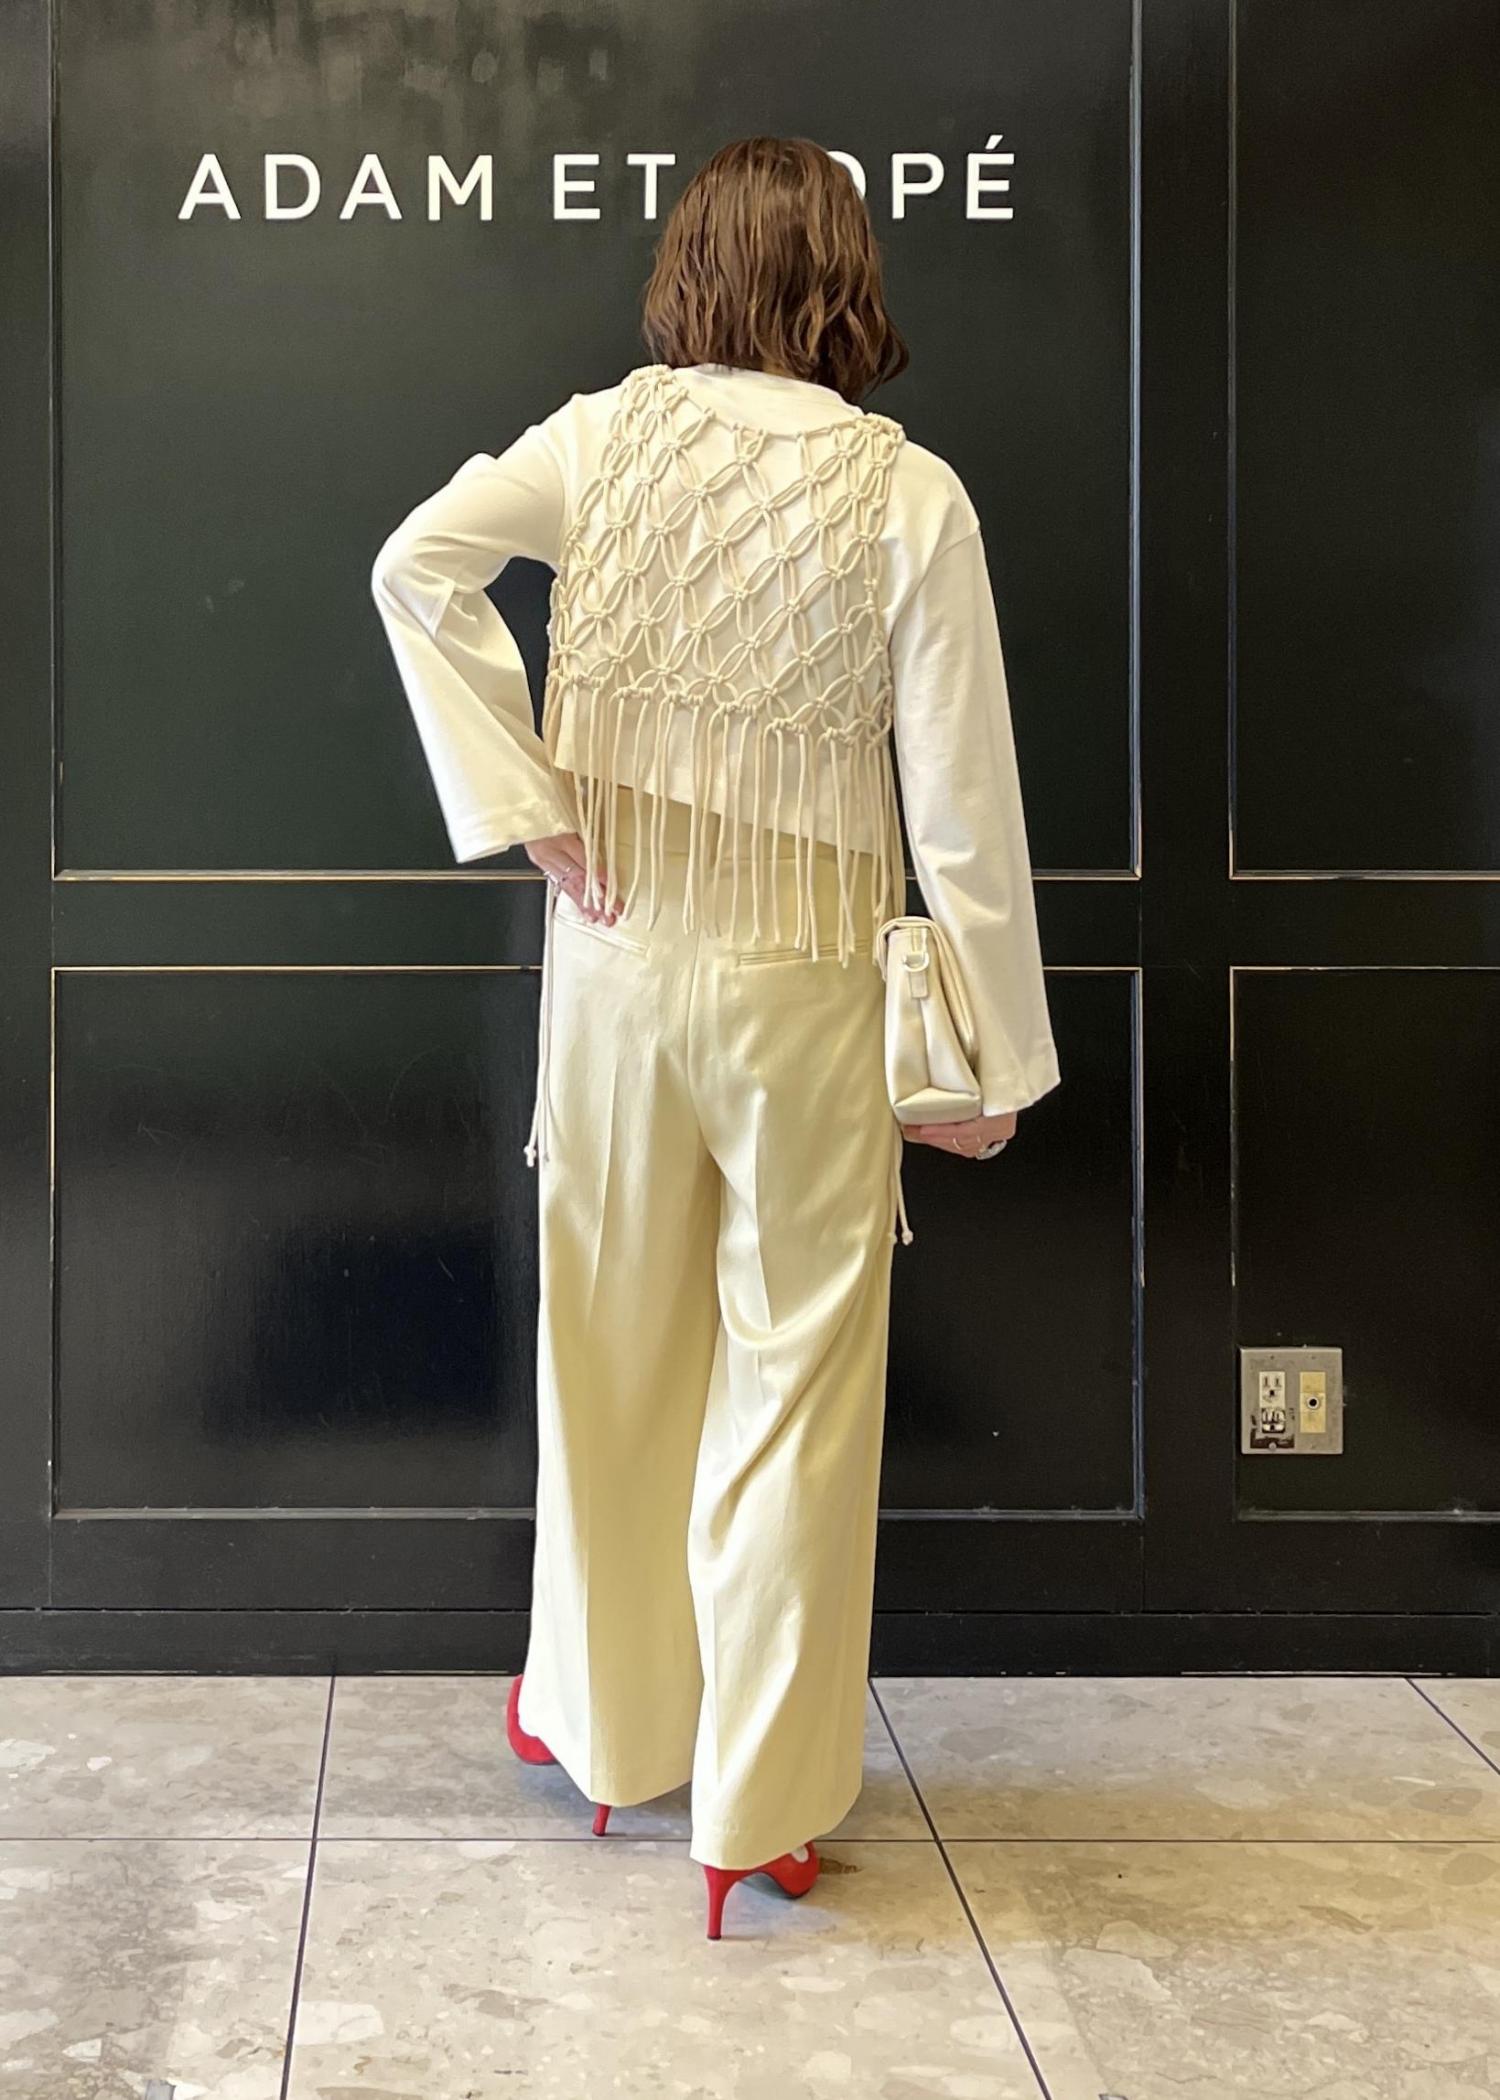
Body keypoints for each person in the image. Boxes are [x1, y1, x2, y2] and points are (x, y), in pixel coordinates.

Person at [370, 135, 1060, 1940]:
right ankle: (756, 1810)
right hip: (809, 994)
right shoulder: (910, 497)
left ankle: (602, 1736)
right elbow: (964, 808)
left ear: (691, 268)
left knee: (605, 1357)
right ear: (845, 280)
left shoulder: (601, 439)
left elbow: (416, 566)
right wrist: (990, 1061)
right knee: (797, 1395)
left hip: (616, 975)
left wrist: (528, 805)